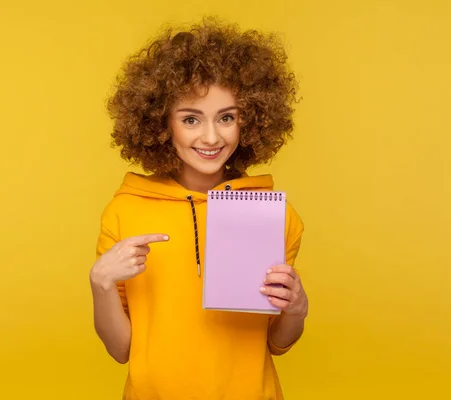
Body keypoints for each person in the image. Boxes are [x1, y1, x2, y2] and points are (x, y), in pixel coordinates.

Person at [89, 17, 308, 400]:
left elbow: (278, 343)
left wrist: (297, 308)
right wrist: (101, 283)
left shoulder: (274, 216)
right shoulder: (124, 211)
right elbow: (120, 350)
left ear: (250, 120)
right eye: (191, 119)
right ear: (161, 123)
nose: (211, 137)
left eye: (227, 117)